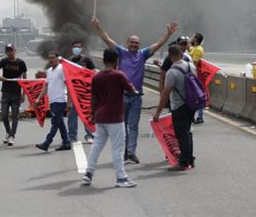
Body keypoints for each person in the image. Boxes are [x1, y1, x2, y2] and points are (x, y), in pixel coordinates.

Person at [92, 16, 178, 164]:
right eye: (131, 42)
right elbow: (107, 40)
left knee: (133, 127)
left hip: (136, 97)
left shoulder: (143, 54)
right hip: (121, 97)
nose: (134, 44)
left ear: (139, 45)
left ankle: (131, 152)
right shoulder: (121, 52)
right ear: (127, 43)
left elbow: (157, 44)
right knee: (122, 127)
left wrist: (168, 34)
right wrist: (97, 27)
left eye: (136, 43)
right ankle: (123, 152)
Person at [82, 49, 138, 188]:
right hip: (115, 117)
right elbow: (130, 89)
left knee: (97, 145)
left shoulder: (96, 77)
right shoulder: (118, 75)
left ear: (103, 60)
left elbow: (93, 98)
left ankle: (88, 173)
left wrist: (93, 113)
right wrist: (133, 90)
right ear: (115, 61)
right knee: (118, 148)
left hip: (100, 116)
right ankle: (121, 177)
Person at [153, 45, 197, 171]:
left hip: (179, 106)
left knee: (181, 134)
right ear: (181, 54)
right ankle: (190, 159)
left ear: (170, 56)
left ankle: (183, 162)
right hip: (191, 104)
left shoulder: (172, 72)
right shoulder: (191, 66)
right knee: (187, 132)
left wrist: (157, 113)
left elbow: (165, 94)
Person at [34, 51, 71, 152]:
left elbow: (68, 85)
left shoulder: (61, 69)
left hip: (60, 100)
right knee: (60, 123)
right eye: (49, 58)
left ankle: (47, 143)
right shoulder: (49, 71)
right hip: (53, 101)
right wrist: (38, 99)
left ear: (58, 58)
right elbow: (45, 87)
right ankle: (66, 142)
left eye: (52, 58)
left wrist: (69, 102)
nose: (50, 60)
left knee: (55, 122)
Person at [0, 44, 27, 146]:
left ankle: (12, 136)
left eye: (11, 50)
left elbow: (25, 80)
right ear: (6, 52)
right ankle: (8, 131)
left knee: (15, 116)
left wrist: (24, 94)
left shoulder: (21, 63)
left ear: (15, 51)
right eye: (8, 51)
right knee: (4, 115)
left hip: (16, 92)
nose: (10, 52)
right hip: (5, 92)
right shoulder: (4, 61)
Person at [67, 40, 97, 144]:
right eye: (75, 47)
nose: (76, 49)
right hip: (73, 92)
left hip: (85, 92)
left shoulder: (87, 60)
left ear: (82, 48)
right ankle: (72, 137)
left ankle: (90, 135)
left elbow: (94, 72)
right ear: (72, 48)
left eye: (78, 47)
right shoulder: (69, 61)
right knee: (72, 115)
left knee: (87, 114)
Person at [189, 33, 205, 124]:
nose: (191, 37)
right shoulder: (193, 48)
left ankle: (199, 116)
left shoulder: (198, 50)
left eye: (192, 36)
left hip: (195, 76)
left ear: (196, 39)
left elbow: (194, 65)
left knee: (197, 96)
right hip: (193, 75)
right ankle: (195, 116)